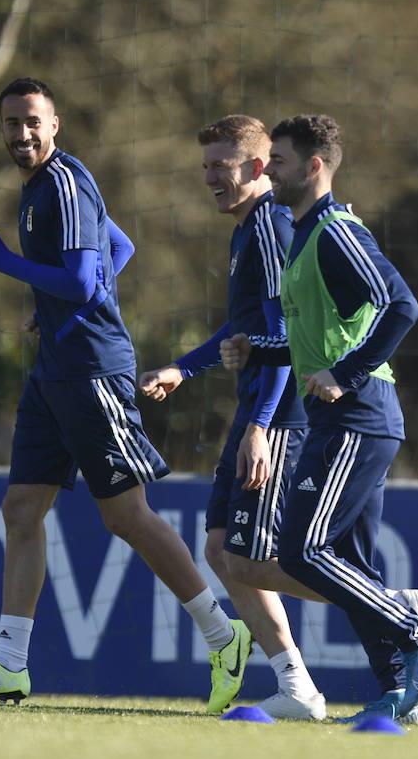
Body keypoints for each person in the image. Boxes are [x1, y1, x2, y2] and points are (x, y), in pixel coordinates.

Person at [0, 78, 249, 712]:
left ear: (55, 124)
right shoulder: (41, 188)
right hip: (54, 372)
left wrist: (5, 264)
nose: (21, 133)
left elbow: (81, 280)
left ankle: (225, 634)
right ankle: (9, 664)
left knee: (124, 516)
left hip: (92, 371)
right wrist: (48, 305)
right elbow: (118, 248)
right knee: (21, 509)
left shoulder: (66, 182)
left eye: (31, 121)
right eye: (11, 123)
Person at [220, 114, 418, 724]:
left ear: (314, 167)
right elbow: (322, 339)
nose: (268, 169)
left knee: (301, 552)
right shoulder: (299, 237)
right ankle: (403, 693)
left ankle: (411, 622)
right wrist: (261, 348)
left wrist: (345, 376)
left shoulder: (334, 230)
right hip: (340, 418)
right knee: (348, 564)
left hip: (359, 415)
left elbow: (402, 306)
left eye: (281, 160)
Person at [137, 115, 324, 719]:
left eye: (222, 164)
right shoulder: (247, 230)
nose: (211, 177)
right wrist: (183, 369)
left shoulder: (269, 225)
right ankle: (297, 686)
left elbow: (281, 332)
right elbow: (244, 323)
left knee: (246, 556)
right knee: (223, 551)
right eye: (206, 166)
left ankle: (393, 610)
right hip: (257, 409)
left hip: (279, 414)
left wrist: (262, 426)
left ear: (258, 166)